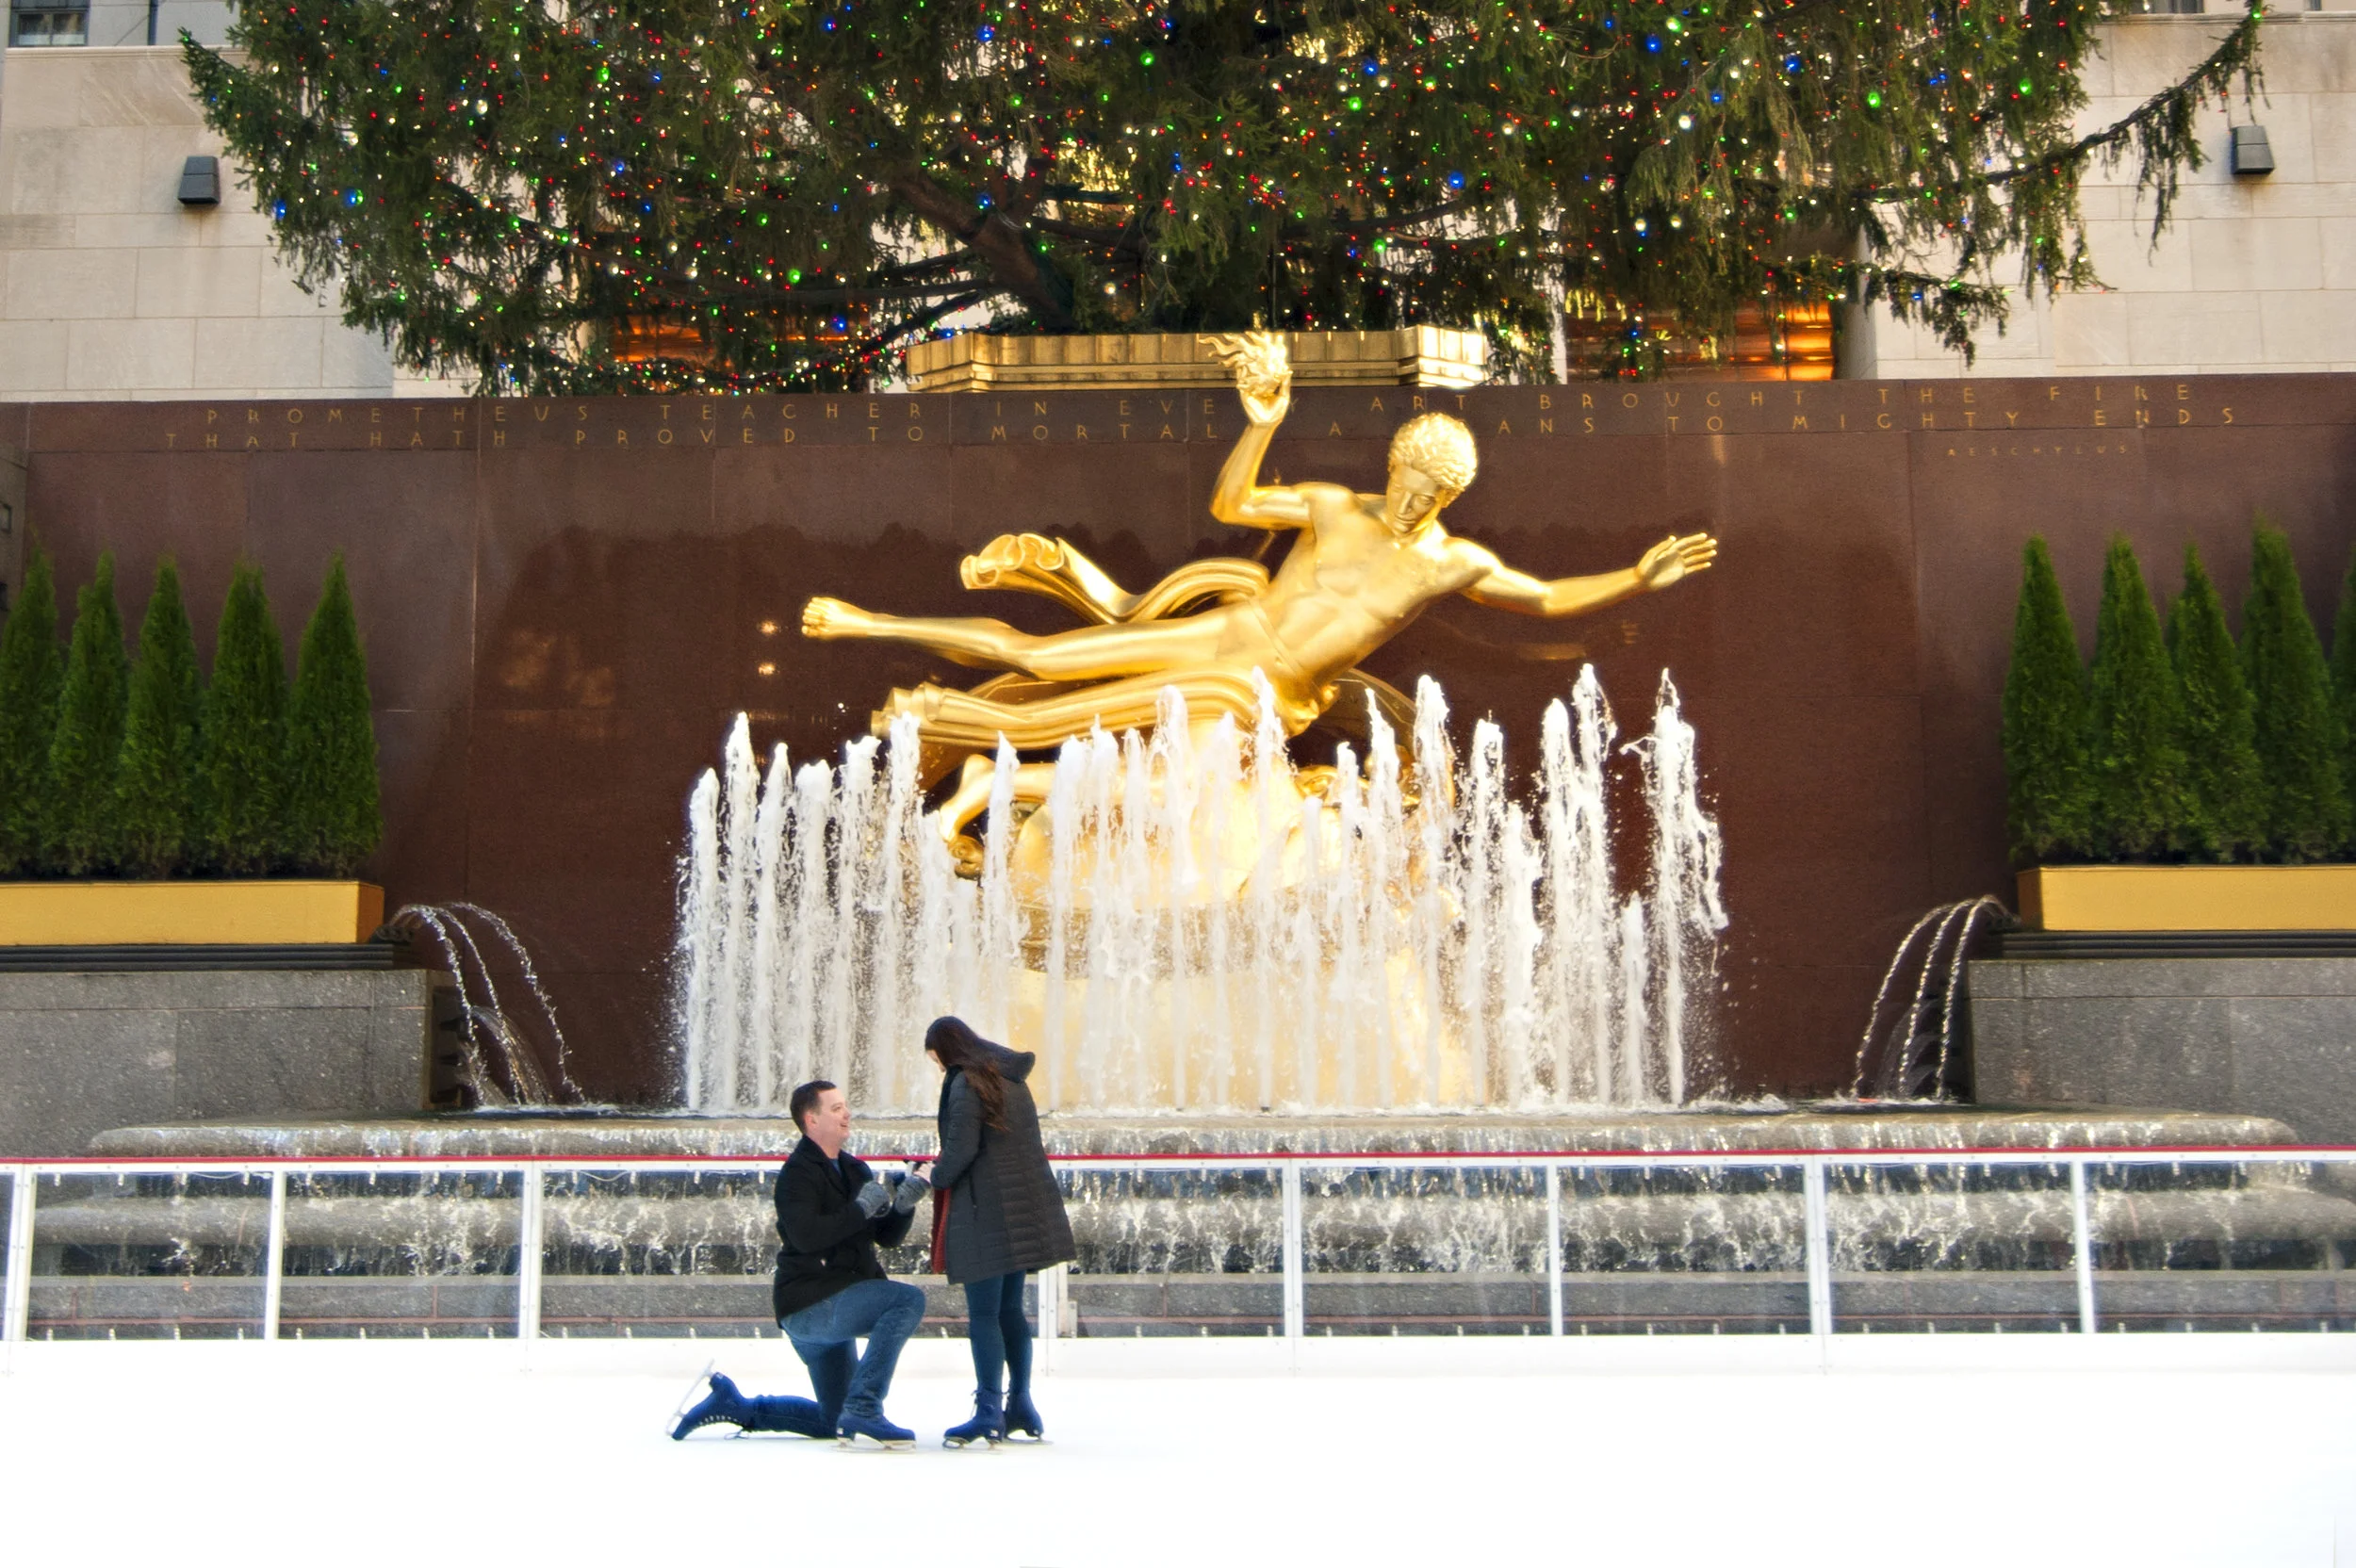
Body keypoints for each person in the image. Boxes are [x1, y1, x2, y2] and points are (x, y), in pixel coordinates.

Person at [670, 1079, 929, 1447]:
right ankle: (866, 1406)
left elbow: (884, 1237)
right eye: (836, 1108)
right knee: (907, 1300)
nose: (847, 1114)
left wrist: (904, 1204)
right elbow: (809, 1237)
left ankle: (737, 1406)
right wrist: (860, 1208)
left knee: (834, 1420)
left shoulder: (856, 1170)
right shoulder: (797, 1175)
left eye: (845, 1106)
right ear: (812, 1120)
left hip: (836, 1300)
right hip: (810, 1305)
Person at [924, 1016, 1077, 1447]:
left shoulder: (965, 1082)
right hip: (1022, 1210)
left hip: (984, 1212)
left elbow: (959, 1152)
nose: (937, 1067)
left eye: (935, 1058)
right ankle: (1021, 1405)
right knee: (1011, 1310)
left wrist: (929, 1176)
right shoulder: (1009, 1080)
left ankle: (988, 1409)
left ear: (945, 1048)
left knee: (985, 1314)